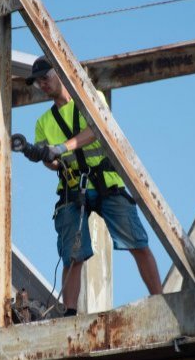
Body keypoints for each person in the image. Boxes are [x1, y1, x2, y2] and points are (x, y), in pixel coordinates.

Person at [22, 56, 162, 317]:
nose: (41, 84)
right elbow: (53, 165)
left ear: (60, 74)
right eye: (37, 81)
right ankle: (70, 312)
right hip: (72, 188)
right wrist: (44, 157)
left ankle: (160, 300)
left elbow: (97, 129)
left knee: (138, 243)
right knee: (72, 255)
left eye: (45, 77)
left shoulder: (92, 96)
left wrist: (62, 147)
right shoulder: (43, 122)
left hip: (106, 183)